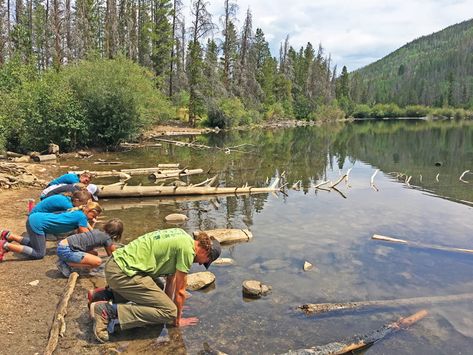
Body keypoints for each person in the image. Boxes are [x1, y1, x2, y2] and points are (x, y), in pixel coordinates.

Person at [88, 228, 221, 343]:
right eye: (205, 262)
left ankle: (103, 295)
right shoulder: (188, 251)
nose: (199, 264)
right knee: (169, 313)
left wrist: (169, 304)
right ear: (205, 251)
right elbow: (180, 292)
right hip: (121, 273)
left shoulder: (182, 236)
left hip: (116, 265)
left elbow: (171, 280)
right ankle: (107, 311)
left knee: (158, 286)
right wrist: (176, 319)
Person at [0, 201, 102, 261]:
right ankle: (5, 245)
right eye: (94, 216)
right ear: (91, 211)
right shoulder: (81, 217)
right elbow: (86, 237)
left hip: (36, 219)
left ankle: (10, 236)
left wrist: (92, 225)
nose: (93, 218)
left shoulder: (79, 213)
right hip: (37, 224)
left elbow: (82, 235)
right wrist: (97, 246)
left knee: (36, 244)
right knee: (39, 253)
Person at [56, 218, 124, 278]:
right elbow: (113, 255)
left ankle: (68, 261)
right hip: (66, 250)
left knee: (94, 253)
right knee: (98, 262)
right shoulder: (107, 238)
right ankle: (65, 263)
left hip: (63, 245)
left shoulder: (98, 231)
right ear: (117, 234)